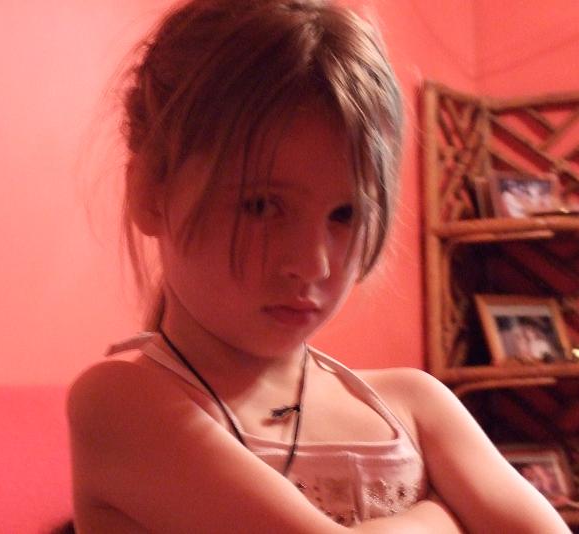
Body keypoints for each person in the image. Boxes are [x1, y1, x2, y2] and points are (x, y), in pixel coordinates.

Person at [67, 0, 570, 532]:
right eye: (261, 205)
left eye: (345, 214)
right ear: (151, 192)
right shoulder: (121, 404)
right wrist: (443, 517)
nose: (313, 263)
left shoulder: (413, 406)